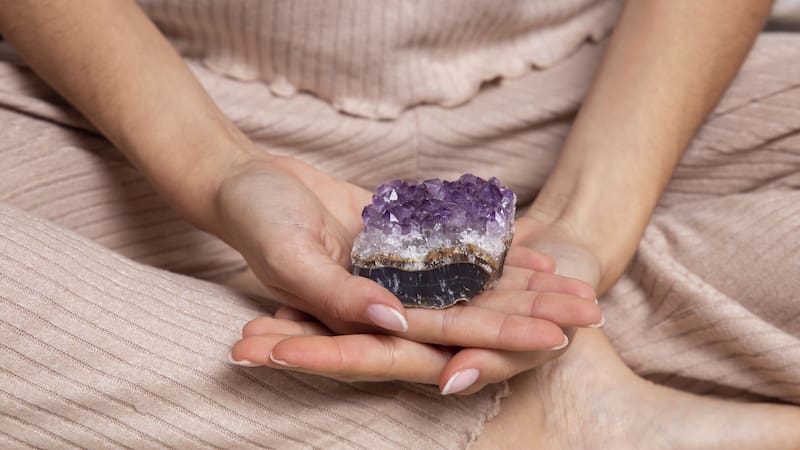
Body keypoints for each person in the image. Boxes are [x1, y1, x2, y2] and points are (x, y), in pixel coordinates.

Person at [0, 0, 798, 448]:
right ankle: (538, 411)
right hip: (157, 105)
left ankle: (226, 337)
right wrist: (220, 174)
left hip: (608, 92)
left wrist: (584, 227)